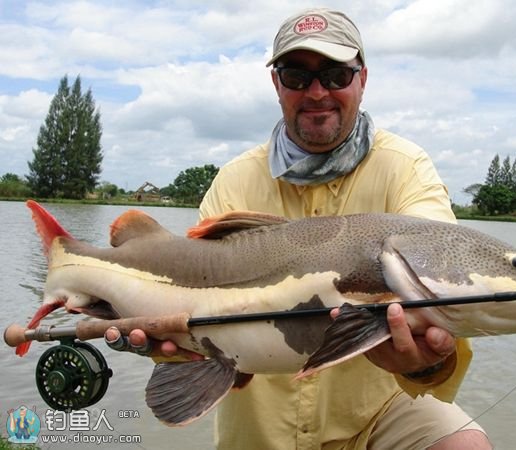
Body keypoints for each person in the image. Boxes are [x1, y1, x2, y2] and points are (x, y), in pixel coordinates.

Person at [107, 8, 492, 449]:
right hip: (261, 425)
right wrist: (166, 338)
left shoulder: (406, 169)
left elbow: (444, 261)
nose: (316, 92)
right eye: (296, 75)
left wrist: (423, 363)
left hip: (380, 408)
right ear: (277, 85)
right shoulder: (233, 180)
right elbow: (191, 296)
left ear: (361, 80)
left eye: (334, 75)